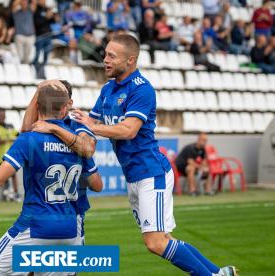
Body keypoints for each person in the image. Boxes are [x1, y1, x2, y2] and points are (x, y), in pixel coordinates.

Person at [70, 34, 238, 276]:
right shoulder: (108, 90)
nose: (104, 59)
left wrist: (92, 126)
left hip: (151, 173)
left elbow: (128, 130)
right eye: (105, 54)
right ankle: (221, 273)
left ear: (130, 60)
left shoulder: (142, 89)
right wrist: (63, 124)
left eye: (111, 56)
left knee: (155, 243)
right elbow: (91, 122)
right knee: (165, 239)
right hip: (134, 176)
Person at [0, 84, 102, 276]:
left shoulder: (29, 138)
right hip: (69, 229)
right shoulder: (78, 140)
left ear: (36, 105)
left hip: (35, 226)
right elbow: (97, 185)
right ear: (64, 108)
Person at [0, 108, 21, 202]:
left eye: (3, 115)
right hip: (1, 156)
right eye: (0, 115)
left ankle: (16, 193)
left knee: (13, 175)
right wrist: (11, 139)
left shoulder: (10, 126)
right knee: (3, 176)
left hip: (11, 155)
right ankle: (8, 191)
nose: (2, 117)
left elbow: (18, 134)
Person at [33, 0, 55, 68]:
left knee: (47, 54)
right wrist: (46, 18)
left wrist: (51, 15)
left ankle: (44, 68)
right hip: (40, 35)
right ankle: (35, 67)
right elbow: (37, 23)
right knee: (37, 53)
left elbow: (53, 21)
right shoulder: (36, 11)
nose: (43, 1)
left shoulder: (47, 10)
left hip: (48, 35)